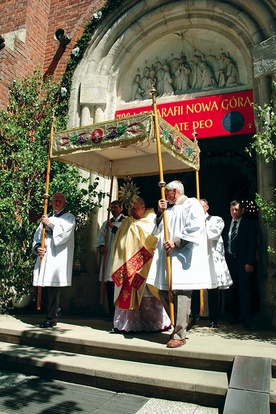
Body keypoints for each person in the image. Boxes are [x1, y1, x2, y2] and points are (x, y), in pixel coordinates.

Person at [147, 181, 212, 348]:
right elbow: (158, 230)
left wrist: (177, 241)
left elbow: (195, 228)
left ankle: (179, 334)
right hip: (168, 257)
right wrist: (161, 213)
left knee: (182, 294)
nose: (165, 197)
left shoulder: (192, 204)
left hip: (184, 257)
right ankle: (181, 322)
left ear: (174, 191)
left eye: (167, 193)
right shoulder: (170, 209)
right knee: (162, 291)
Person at [111, 197, 170, 332]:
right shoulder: (126, 222)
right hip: (127, 265)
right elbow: (118, 243)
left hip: (146, 263)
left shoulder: (153, 219)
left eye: (134, 207)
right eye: (130, 207)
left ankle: (154, 323)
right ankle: (128, 324)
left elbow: (156, 238)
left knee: (147, 294)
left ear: (142, 206)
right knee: (127, 293)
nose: (131, 210)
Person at [32, 193, 76, 328]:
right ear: (51, 202)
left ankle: (51, 318)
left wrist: (50, 225)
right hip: (45, 257)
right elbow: (38, 236)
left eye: (60, 200)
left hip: (58, 258)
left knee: (53, 288)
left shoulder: (69, 218)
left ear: (65, 203)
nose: (57, 203)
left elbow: (63, 235)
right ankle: (54, 310)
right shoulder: (47, 217)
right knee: (39, 285)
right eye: (55, 200)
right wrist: (38, 247)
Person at [199, 199, 233, 328]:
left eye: (201, 206)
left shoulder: (216, 220)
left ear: (207, 207)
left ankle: (213, 318)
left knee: (213, 289)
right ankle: (195, 315)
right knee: (195, 288)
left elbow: (211, 234)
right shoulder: (192, 221)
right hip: (198, 258)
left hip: (211, 258)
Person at [224, 200, 256, 328]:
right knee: (232, 289)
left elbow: (252, 244)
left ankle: (246, 317)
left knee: (244, 289)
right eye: (232, 210)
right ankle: (234, 315)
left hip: (243, 261)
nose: (234, 212)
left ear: (242, 210)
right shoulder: (227, 224)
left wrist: (249, 261)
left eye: (236, 210)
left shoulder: (248, 224)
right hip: (230, 260)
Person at [95, 200, 126, 320]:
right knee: (109, 284)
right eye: (111, 207)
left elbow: (125, 235)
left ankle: (120, 313)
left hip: (119, 257)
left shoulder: (126, 222)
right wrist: (101, 246)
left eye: (115, 207)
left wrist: (113, 228)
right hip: (108, 258)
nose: (113, 209)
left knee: (119, 285)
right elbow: (101, 237)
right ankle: (111, 311)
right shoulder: (106, 223)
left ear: (121, 208)